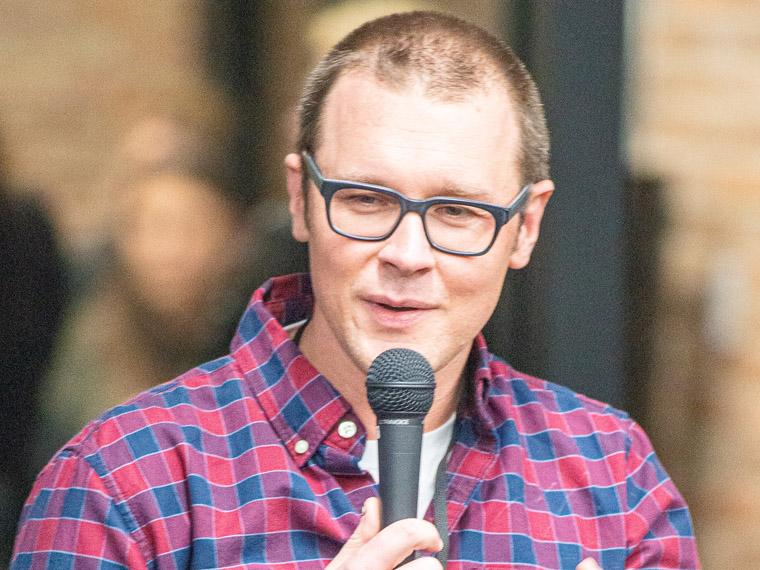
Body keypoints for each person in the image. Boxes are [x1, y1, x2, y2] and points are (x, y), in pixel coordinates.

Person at [11, 11, 699, 569]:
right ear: (301, 199)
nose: (408, 254)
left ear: (525, 228)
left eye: (457, 211)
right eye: (367, 200)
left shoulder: (610, 475)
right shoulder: (124, 484)